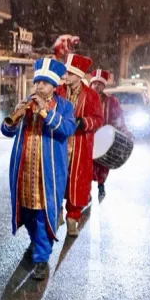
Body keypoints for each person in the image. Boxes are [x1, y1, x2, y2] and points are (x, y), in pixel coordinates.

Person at [1, 58, 77, 280]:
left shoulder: (64, 106)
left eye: (44, 83)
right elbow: (8, 132)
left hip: (48, 173)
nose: (39, 87)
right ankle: (36, 243)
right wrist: (13, 120)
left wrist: (45, 111)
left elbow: (68, 128)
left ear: (54, 86)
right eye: (37, 82)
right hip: (25, 172)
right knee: (28, 212)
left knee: (44, 213)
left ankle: (42, 258)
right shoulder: (26, 102)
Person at [56, 53, 103, 237]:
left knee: (77, 182)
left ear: (78, 75)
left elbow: (98, 119)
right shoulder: (58, 91)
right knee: (57, 178)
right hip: (59, 144)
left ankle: (73, 218)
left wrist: (83, 122)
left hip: (80, 145)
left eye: (69, 73)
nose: (65, 76)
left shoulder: (91, 95)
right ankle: (57, 212)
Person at [90, 69, 129, 200]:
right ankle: (85, 191)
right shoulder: (85, 99)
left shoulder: (112, 102)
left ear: (104, 86)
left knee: (102, 165)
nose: (96, 86)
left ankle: (101, 187)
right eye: (94, 83)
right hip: (87, 139)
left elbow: (118, 118)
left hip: (103, 140)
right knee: (85, 166)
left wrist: (124, 130)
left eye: (99, 84)